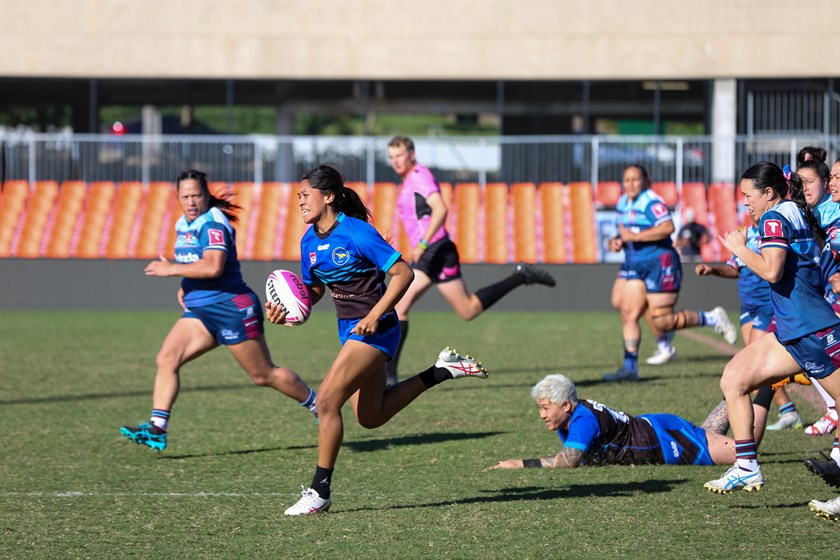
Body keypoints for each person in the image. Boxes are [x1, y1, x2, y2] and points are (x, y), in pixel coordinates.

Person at [266, 164, 488, 516]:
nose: (301, 203)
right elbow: (314, 289)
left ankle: (319, 491)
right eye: (298, 197)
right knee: (371, 417)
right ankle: (440, 371)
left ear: (329, 197)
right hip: (350, 332)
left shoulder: (357, 233)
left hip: (378, 327)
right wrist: (286, 307)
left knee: (325, 402)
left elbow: (404, 273)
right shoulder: (309, 241)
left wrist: (373, 315)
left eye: (306, 196)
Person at [120, 170, 317, 451]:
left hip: (231, 307)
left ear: (206, 194)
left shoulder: (214, 223)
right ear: (177, 197)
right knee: (167, 359)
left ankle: (317, 404)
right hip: (201, 312)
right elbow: (196, 261)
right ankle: (157, 428)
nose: (190, 201)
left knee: (263, 375)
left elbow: (213, 266)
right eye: (185, 196)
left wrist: (171, 270)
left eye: (196, 195)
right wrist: (185, 285)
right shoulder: (182, 224)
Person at [704, 161, 840, 497]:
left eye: (748, 196)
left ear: (768, 193)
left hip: (810, 329)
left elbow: (771, 271)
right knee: (733, 378)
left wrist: (739, 249)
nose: (745, 203)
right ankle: (747, 466)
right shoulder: (795, 209)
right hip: (793, 331)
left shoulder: (774, 217)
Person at [385, 135, 556, 386]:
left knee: (398, 306)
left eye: (399, 155)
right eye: (391, 157)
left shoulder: (420, 176)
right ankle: (522, 276)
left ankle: (389, 378)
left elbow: (441, 209)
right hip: (436, 252)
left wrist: (422, 243)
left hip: (434, 249)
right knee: (468, 310)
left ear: (412, 154)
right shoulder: (409, 180)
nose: (396, 161)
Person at [604, 164, 737, 382]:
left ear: (646, 181)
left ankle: (712, 318)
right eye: (627, 180)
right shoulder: (623, 202)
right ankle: (631, 368)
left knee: (662, 321)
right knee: (624, 307)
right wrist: (616, 242)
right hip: (634, 263)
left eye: (635, 179)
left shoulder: (651, 201)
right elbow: (622, 231)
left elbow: (667, 228)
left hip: (659, 263)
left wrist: (635, 238)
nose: (630, 184)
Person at [489, 374, 736, 469]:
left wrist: (520, 464)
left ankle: (759, 389)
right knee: (706, 435)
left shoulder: (582, 420)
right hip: (657, 428)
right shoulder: (575, 415)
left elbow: (569, 461)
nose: (542, 415)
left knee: (745, 451)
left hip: (667, 442)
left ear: (565, 406)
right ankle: (736, 396)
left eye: (545, 408)